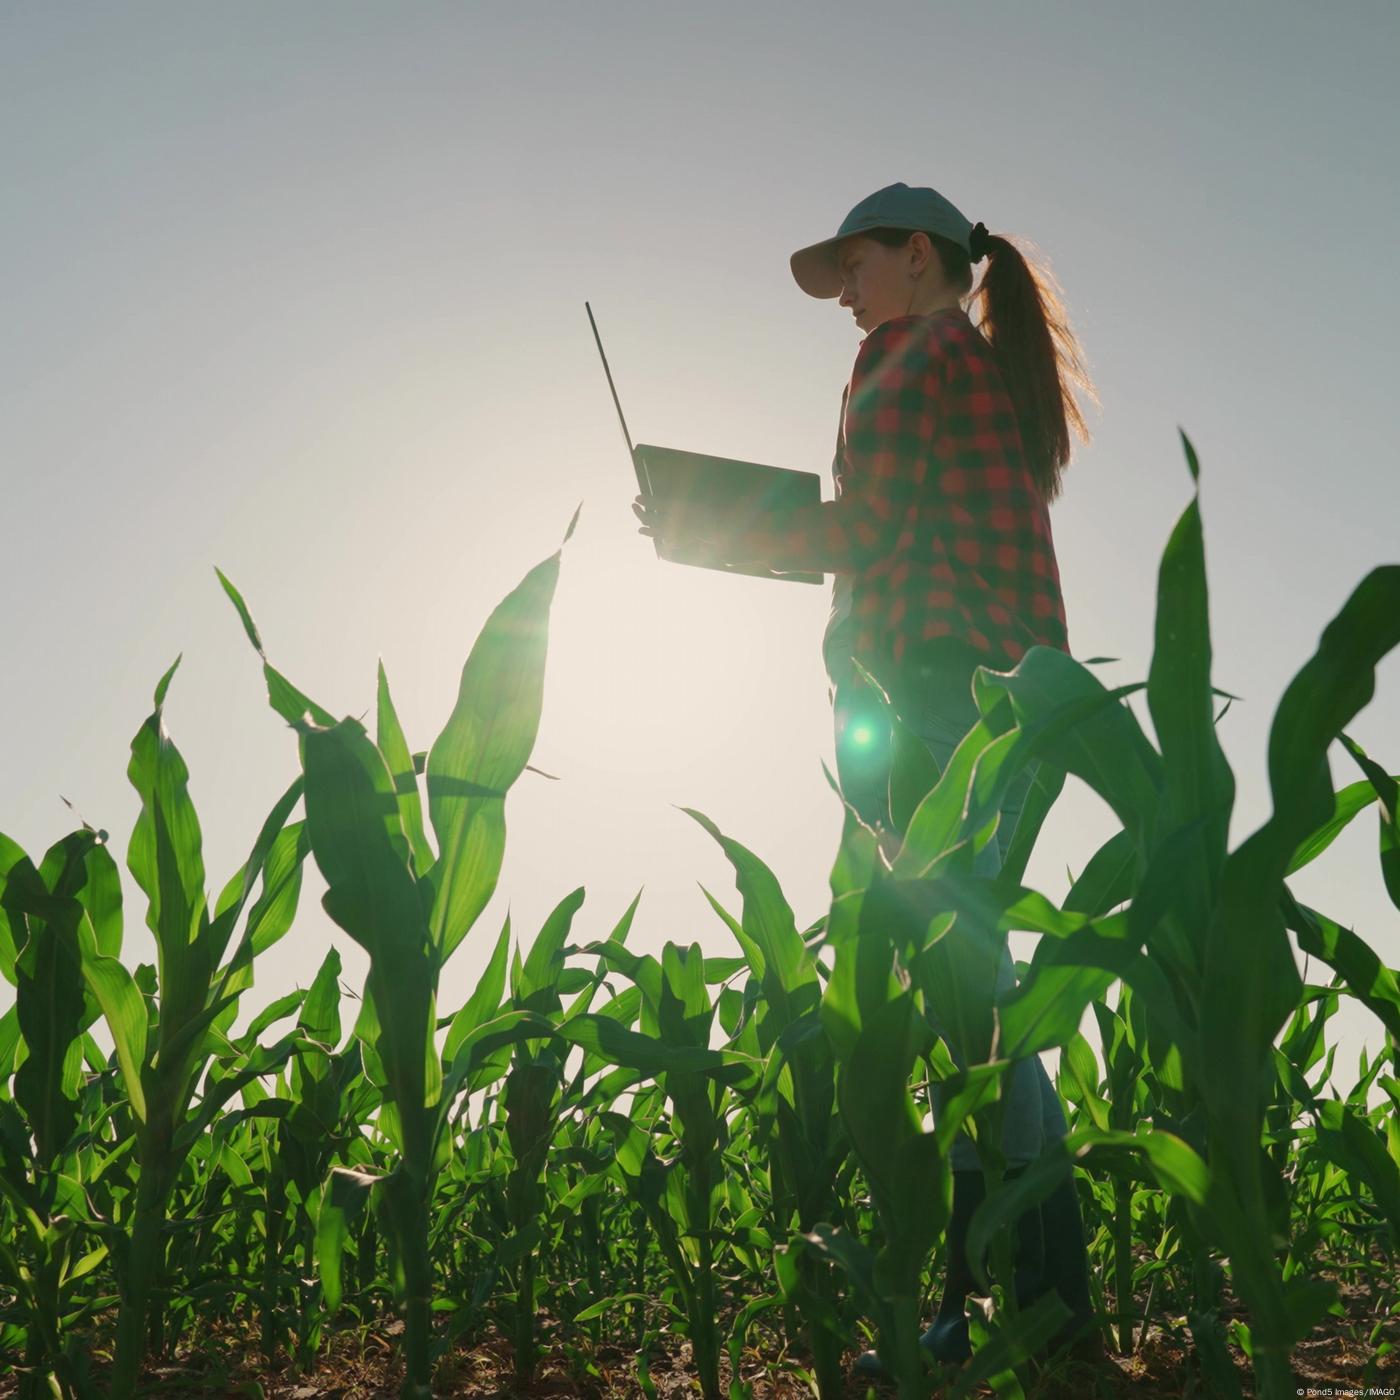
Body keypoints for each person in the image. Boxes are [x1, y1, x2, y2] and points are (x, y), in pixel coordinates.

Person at [633, 182, 1099, 1365]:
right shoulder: (979, 364)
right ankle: (1031, 1304)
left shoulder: (903, 350)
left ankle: (996, 1310)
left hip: (939, 692)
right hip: (1016, 700)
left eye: (853, 265)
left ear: (916, 257)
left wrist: (698, 521)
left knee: (966, 1008)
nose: (842, 293)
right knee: (984, 998)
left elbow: (868, 525)